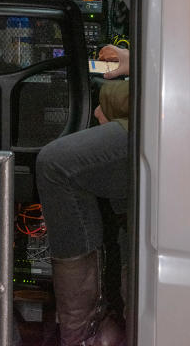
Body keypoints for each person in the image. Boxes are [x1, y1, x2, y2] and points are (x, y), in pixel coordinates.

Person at [35, 44, 130, 346]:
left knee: (56, 165)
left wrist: (104, 95)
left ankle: (83, 336)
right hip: (147, 118)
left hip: (159, 126)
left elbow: (153, 94)